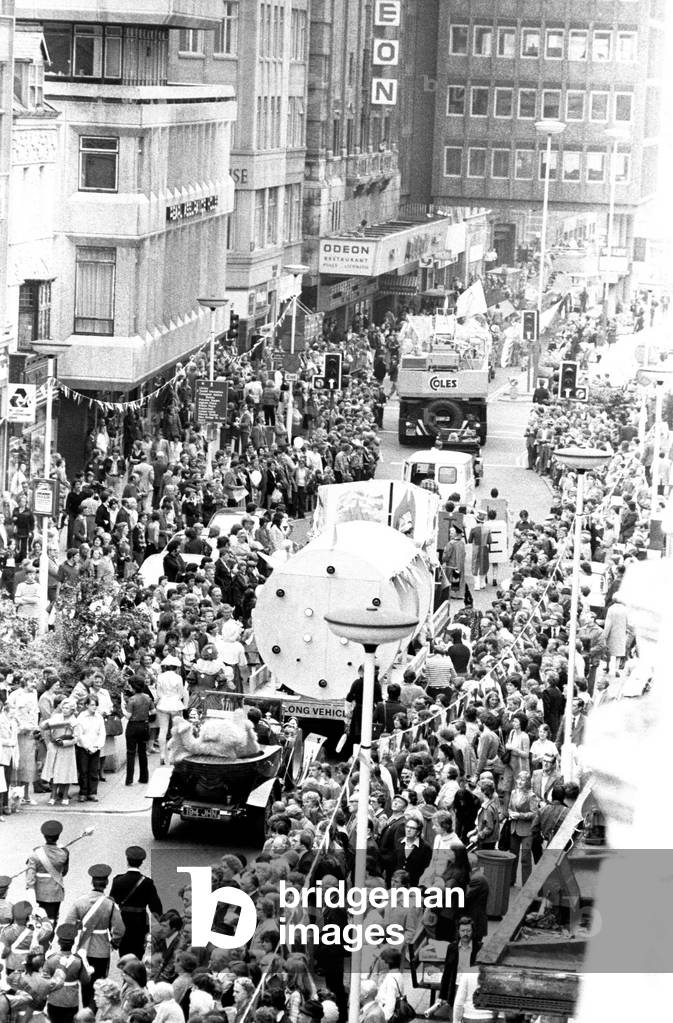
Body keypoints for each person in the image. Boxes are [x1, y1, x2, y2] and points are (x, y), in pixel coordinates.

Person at [110, 846, 163, 960]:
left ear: (127, 861)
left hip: (122, 921)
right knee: (138, 954)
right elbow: (156, 907)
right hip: (140, 923)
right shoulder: (147, 882)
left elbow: (112, 905)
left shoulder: (118, 881)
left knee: (123, 954)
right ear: (141, 862)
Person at [25, 819, 70, 925]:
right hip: (55, 892)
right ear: (58, 836)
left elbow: (30, 878)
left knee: (38, 921)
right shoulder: (64, 852)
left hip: (38, 893)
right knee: (52, 920)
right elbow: (64, 872)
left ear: (44, 836)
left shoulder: (35, 854)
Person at [507, 772, 538, 885]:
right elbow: (510, 808)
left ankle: (526, 884)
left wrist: (519, 815)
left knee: (525, 858)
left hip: (526, 830)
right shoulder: (513, 792)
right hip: (514, 827)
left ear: (527, 782)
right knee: (513, 856)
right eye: (518, 779)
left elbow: (534, 813)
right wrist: (511, 813)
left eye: (523, 780)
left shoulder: (531, 795)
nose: (519, 782)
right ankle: (510, 881)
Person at [122, 677, 154, 786]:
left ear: (133, 687)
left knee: (130, 753)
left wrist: (123, 709)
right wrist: (144, 714)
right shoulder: (147, 697)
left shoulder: (132, 699)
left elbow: (128, 716)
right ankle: (144, 777)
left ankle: (129, 779)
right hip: (144, 725)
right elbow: (153, 711)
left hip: (133, 726)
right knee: (142, 752)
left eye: (130, 685)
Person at [74, 697, 106, 802]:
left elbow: (102, 733)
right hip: (83, 747)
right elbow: (79, 734)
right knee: (83, 770)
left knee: (94, 770)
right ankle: (83, 792)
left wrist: (96, 746)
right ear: (86, 705)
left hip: (95, 747)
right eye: (92, 705)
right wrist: (87, 746)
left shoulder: (99, 717)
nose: (94, 707)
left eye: (96, 705)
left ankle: (92, 792)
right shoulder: (81, 717)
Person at [467, 511, 491, 591]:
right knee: (484, 565)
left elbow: (469, 540)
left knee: (475, 566)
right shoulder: (487, 529)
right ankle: (482, 583)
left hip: (476, 548)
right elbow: (490, 541)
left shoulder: (473, 529)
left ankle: (476, 584)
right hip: (484, 548)